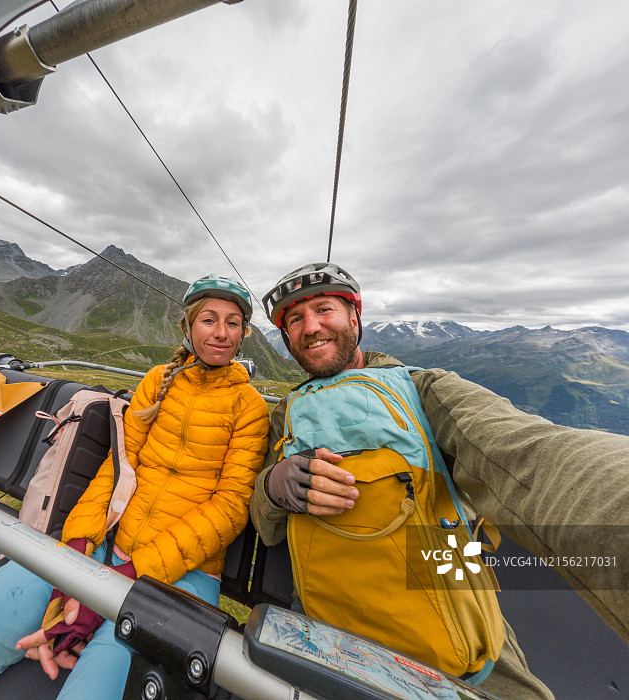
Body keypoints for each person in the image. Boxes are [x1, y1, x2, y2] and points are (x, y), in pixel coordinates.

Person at [0, 274, 269, 700]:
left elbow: (230, 507)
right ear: (189, 326)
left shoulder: (249, 406)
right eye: (209, 319)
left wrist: (123, 581)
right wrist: (75, 554)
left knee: (107, 678)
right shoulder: (157, 382)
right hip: (108, 543)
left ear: (243, 333)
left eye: (233, 323)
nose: (221, 333)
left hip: (186, 572)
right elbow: (118, 472)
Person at [250, 262, 629, 699]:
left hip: (451, 621)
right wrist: (274, 486)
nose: (310, 326)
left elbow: (530, 456)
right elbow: (266, 525)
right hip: (325, 636)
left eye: (324, 309)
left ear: (355, 318)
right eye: (294, 319)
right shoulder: (285, 413)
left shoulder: (424, 389)